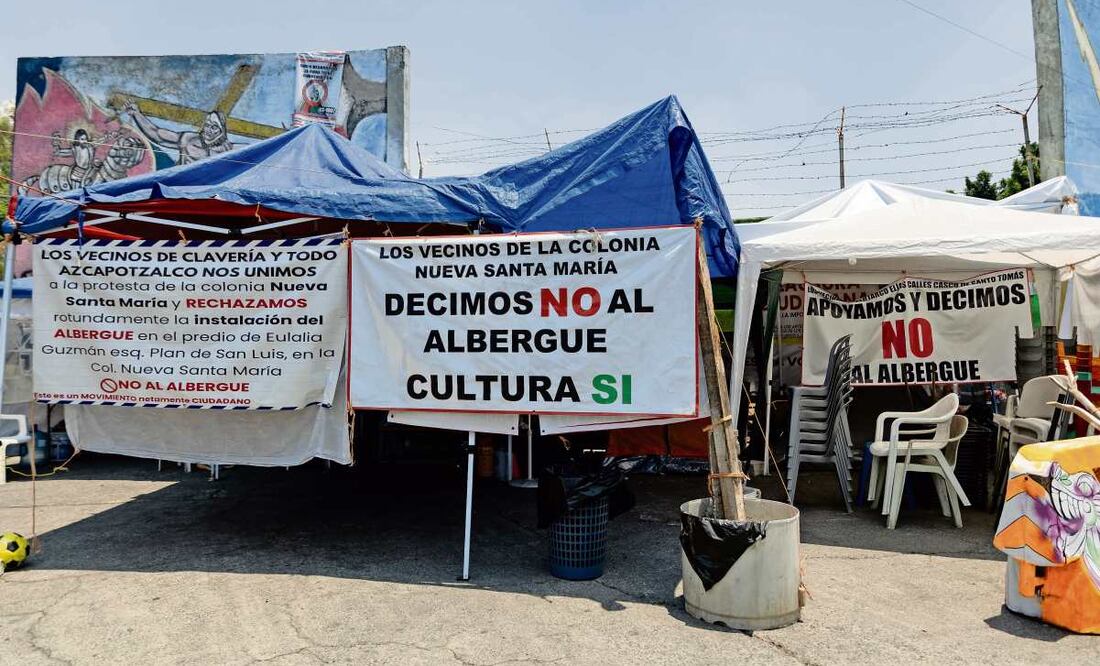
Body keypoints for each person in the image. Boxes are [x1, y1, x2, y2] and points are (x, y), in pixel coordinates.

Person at [124, 100, 233, 164]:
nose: (208, 130)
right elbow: (157, 135)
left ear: (222, 131)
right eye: (207, 125)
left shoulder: (230, 150)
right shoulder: (188, 139)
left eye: (214, 127)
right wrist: (136, 114)